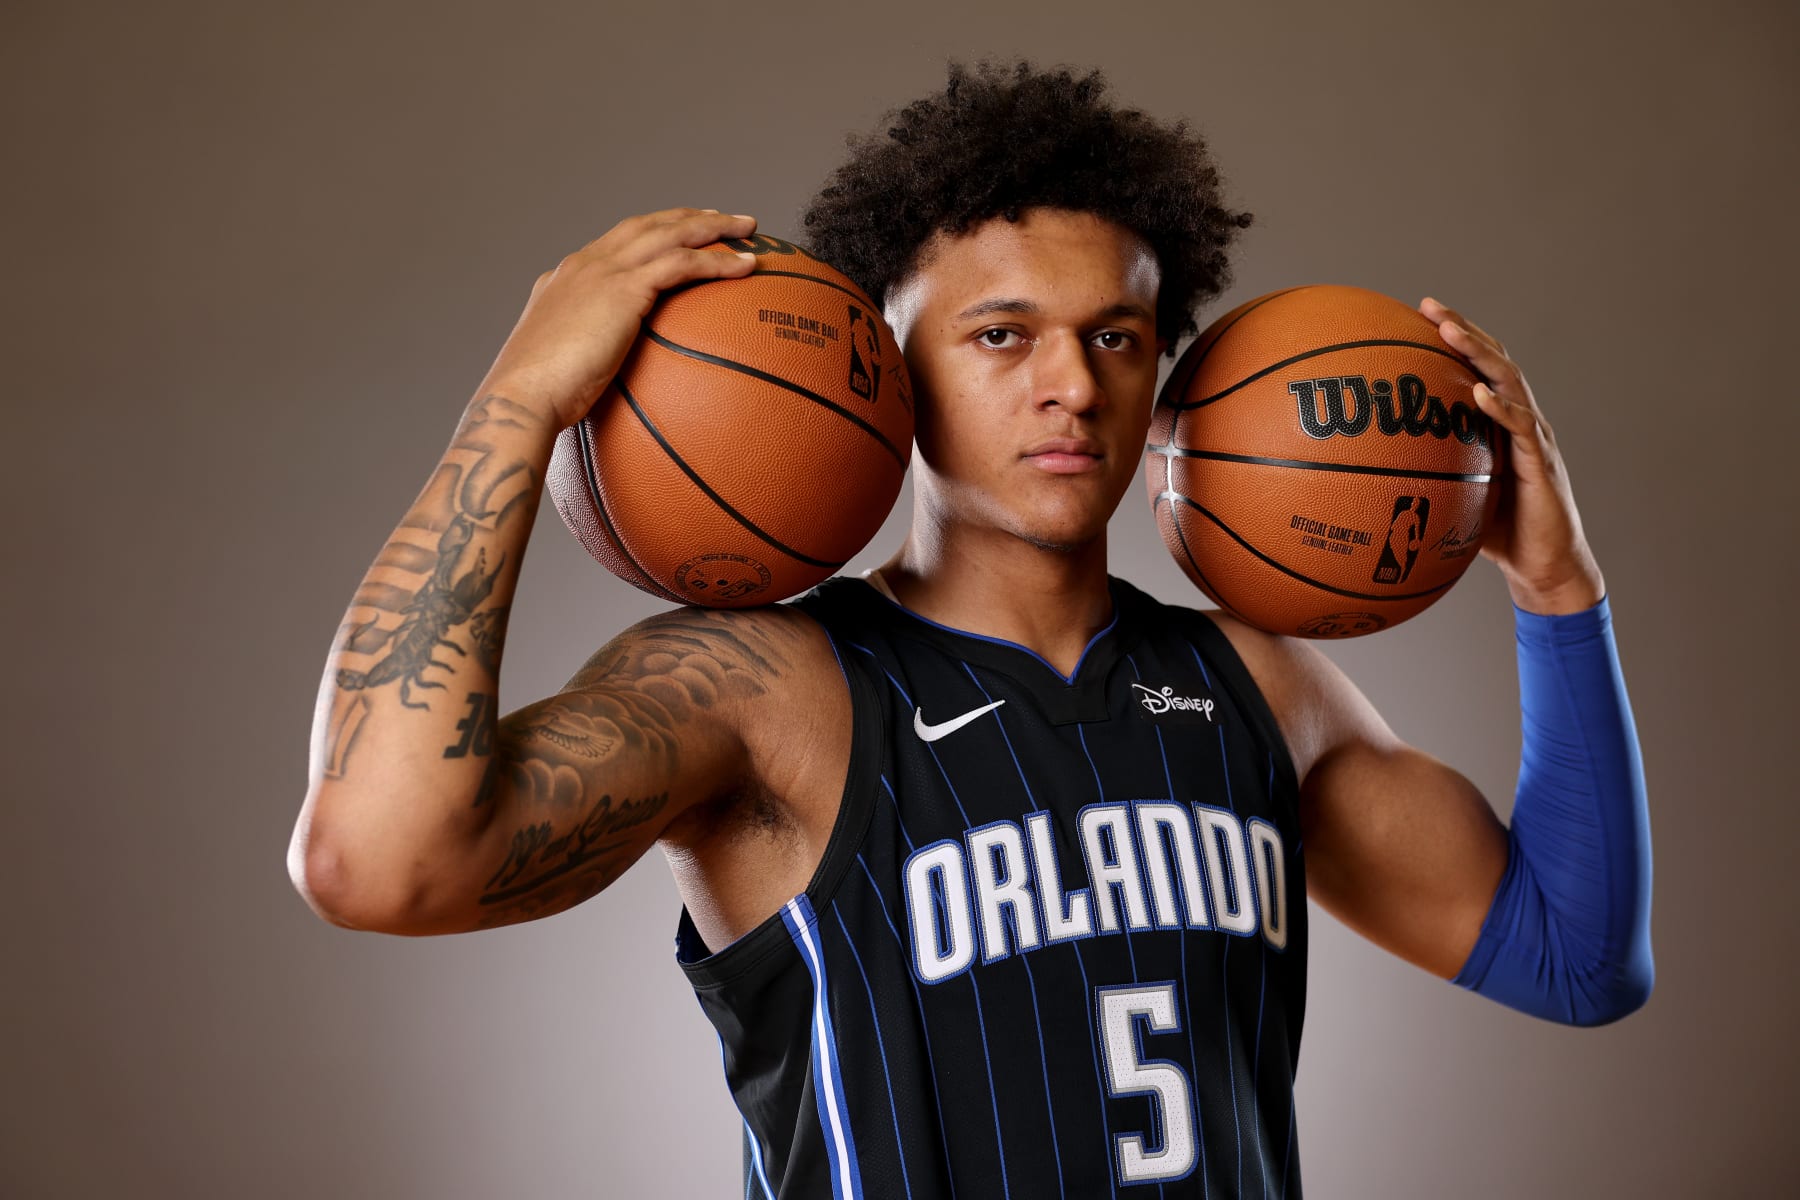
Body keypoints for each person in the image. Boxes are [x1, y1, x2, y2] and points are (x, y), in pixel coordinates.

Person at [289, 62, 1652, 1197]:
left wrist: (1557, 587)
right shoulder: (762, 689)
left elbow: (1579, 959)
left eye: (1116, 337)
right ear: (888, 364)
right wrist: (521, 404)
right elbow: (379, 858)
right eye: (1002, 336)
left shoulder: (1254, 684)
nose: (1071, 384)